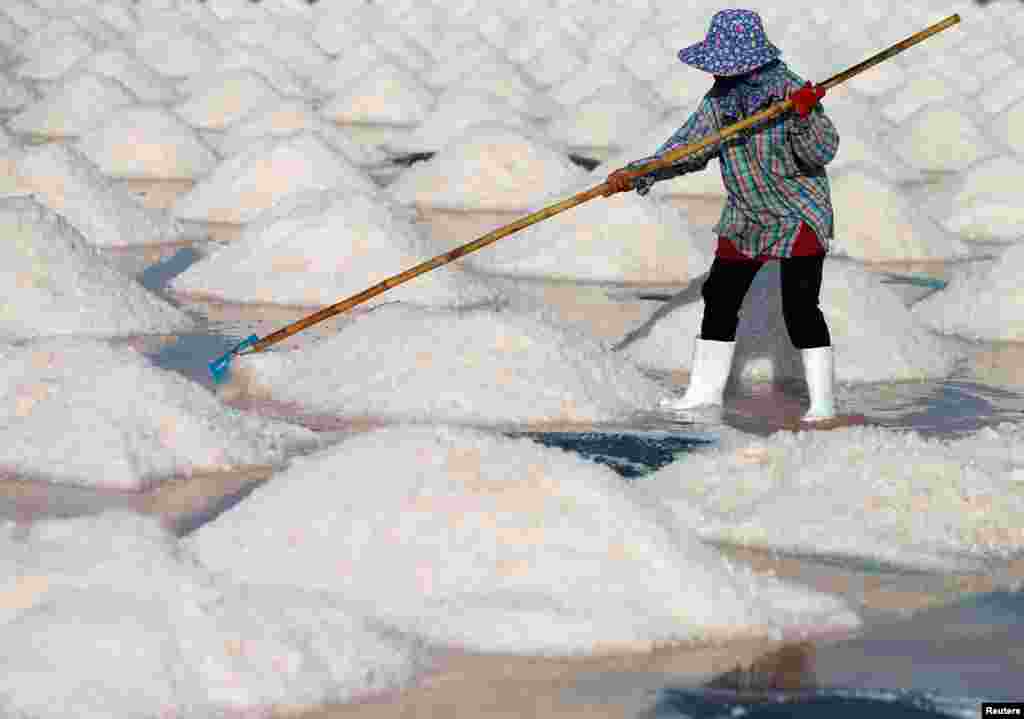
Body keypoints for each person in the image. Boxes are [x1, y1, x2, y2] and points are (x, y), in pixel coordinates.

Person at [604, 8, 839, 424]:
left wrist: (803, 117)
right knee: (720, 296)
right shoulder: (720, 101)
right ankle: (703, 393)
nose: (720, 75)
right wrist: (640, 172)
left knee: (800, 308)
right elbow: (688, 148)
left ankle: (823, 403)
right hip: (746, 214)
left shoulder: (791, 93)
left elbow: (821, 152)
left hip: (796, 212)